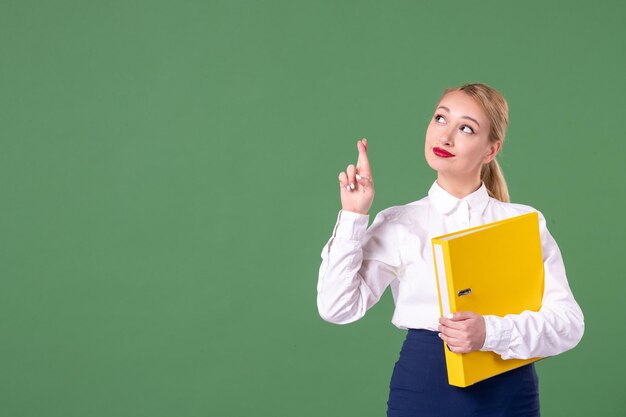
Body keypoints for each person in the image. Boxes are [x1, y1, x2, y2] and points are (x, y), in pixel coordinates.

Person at [316, 83, 584, 417]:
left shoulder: (524, 223)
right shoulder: (401, 223)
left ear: (490, 150)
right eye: (441, 119)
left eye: (466, 128)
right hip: (426, 389)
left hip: (510, 392)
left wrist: (489, 332)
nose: (445, 137)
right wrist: (354, 216)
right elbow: (337, 307)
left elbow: (568, 324)